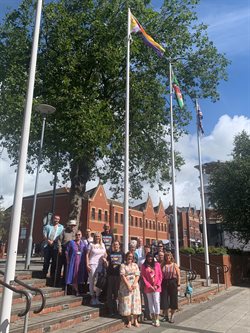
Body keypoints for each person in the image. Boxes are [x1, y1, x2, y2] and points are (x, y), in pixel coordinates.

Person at [119, 251, 141, 328]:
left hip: (134, 286)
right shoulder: (123, 265)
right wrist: (128, 285)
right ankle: (128, 321)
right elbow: (122, 276)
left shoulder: (135, 265)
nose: (130, 258)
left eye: (131, 257)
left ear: (133, 258)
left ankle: (135, 320)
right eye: (128, 256)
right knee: (127, 303)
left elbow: (137, 275)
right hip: (126, 286)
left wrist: (134, 283)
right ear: (126, 257)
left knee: (135, 302)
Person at [141, 253, 162, 327]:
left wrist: (157, 285)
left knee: (156, 301)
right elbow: (143, 277)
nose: (150, 259)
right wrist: (149, 286)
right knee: (150, 303)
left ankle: (157, 318)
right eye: (148, 257)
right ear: (146, 258)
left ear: (153, 258)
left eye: (151, 257)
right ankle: (153, 317)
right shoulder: (144, 266)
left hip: (156, 287)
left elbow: (160, 276)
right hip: (148, 287)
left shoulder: (157, 264)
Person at [104, 240, 124, 316]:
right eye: (114, 245)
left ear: (119, 245)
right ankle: (111, 310)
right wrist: (105, 262)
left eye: (117, 245)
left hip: (118, 276)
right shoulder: (110, 254)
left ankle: (118, 310)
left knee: (117, 294)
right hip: (110, 276)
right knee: (110, 294)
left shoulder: (122, 254)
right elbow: (107, 265)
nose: (115, 246)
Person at [86, 232, 107, 305]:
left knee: (99, 282)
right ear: (94, 237)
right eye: (96, 236)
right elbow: (87, 255)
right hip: (92, 264)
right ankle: (92, 298)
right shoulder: (91, 244)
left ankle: (97, 297)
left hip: (100, 265)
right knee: (91, 281)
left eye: (98, 236)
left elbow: (105, 254)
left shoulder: (103, 245)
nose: (97, 238)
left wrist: (105, 258)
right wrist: (87, 264)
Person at [65, 230, 88, 296]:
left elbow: (87, 252)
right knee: (73, 275)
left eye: (79, 234)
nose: (78, 236)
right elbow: (66, 252)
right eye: (76, 235)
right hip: (73, 262)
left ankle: (77, 289)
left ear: (81, 235)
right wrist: (68, 260)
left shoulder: (83, 243)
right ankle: (75, 290)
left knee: (79, 275)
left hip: (81, 262)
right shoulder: (71, 242)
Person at [160, 251, 181, 323]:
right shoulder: (162, 265)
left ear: (171, 257)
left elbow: (178, 275)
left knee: (173, 300)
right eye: (166, 256)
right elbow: (160, 274)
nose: (167, 258)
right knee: (164, 300)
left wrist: (178, 285)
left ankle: (172, 316)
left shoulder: (174, 265)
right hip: (164, 282)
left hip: (173, 282)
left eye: (169, 256)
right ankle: (166, 315)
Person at [42, 215, 64, 280]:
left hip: (55, 246)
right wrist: (49, 241)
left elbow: (61, 236)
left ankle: (52, 275)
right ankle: (44, 273)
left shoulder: (61, 227)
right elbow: (44, 235)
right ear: (53, 219)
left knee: (54, 261)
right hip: (47, 245)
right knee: (46, 260)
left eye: (58, 219)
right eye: (55, 219)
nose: (56, 220)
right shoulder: (47, 226)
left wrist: (54, 242)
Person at [57, 219, 77, 287]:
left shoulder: (74, 232)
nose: (72, 227)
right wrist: (59, 248)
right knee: (60, 266)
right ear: (69, 225)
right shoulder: (64, 231)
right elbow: (59, 240)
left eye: (74, 225)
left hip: (70, 251)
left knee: (67, 266)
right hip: (63, 249)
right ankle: (57, 281)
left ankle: (64, 281)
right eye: (71, 225)